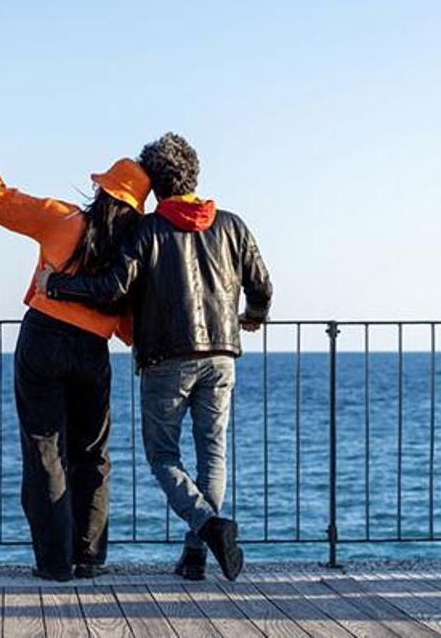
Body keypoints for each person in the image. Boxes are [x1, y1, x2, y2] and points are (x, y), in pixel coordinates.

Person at [37, 132, 272, 582]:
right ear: (194, 175)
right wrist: (253, 316)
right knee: (213, 455)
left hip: (167, 359)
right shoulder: (233, 226)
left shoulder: (146, 232)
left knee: (163, 454)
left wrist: (55, 286)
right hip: (222, 355)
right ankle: (195, 557)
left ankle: (208, 527)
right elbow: (262, 285)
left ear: (156, 186)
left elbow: (110, 290)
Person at [0, 115, 150, 581]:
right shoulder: (135, 249)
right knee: (92, 453)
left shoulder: (62, 218)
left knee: (44, 451)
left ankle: (54, 564)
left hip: (44, 339)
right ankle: (89, 557)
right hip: (94, 351)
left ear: (100, 192)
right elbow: (130, 320)